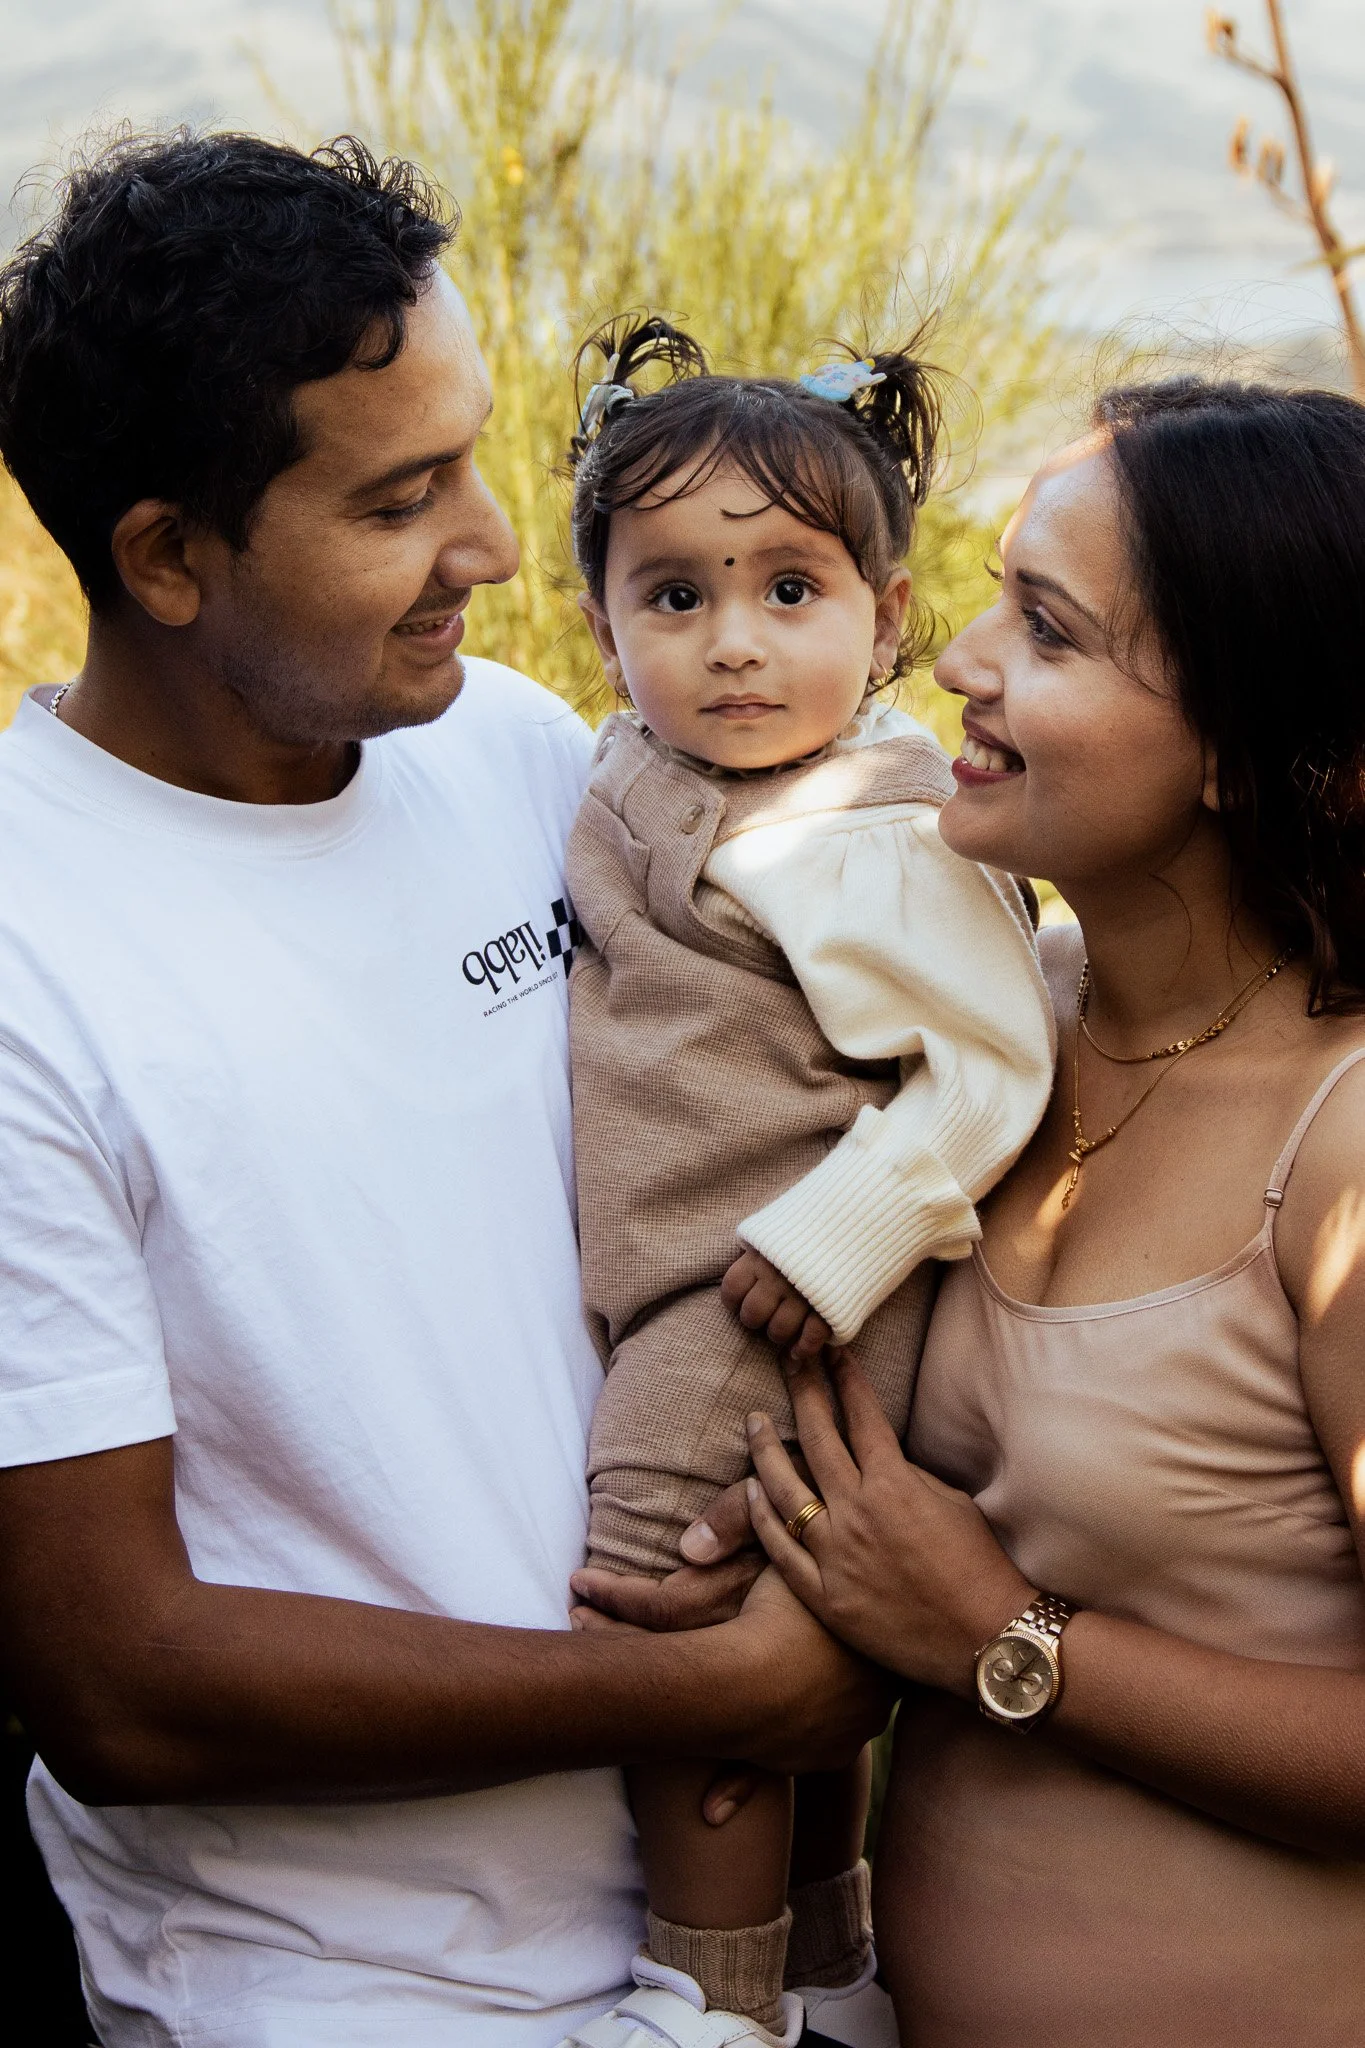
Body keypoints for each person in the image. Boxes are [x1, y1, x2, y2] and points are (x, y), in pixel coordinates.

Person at [0, 131, 890, 2048]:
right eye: (406, 498)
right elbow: (116, 1677)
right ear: (165, 555)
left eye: (479, 458)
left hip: (745, 1921)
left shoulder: (503, 745)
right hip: (348, 1991)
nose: (493, 545)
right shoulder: (27, 956)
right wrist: (715, 1694)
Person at [725, 377, 1365, 2044]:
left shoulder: (1347, 1142)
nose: (959, 665)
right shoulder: (1002, 1025)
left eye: (1052, 633)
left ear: (1239, 740)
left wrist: (1005, 1638)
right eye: (998, 594)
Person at [556, 318, 1053, 2048]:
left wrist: (842, 1233)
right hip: (715, 1266)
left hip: (759, 1286)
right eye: (674, 596)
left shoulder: (866, 829)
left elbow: (998, 1058)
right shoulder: (637, 769)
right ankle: (831, 1971)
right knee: (787, 1612)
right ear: (602, 622)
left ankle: (705, 2001)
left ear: (889, 619)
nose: (734, 646)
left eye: (791, 591)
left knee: (671, 1611)